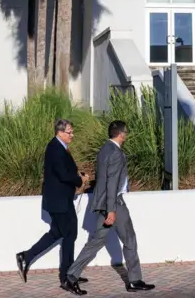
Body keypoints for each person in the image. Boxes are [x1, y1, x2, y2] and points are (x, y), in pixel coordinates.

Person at [62, 120, 154, 294]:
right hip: (115, 204)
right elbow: (112, 183)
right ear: (121, 134)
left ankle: (70, 276)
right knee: (130, 239)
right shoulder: (116, 154)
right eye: (125, 133)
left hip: (104, 202)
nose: (126, 136)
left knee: (96, 241)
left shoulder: (104, 149)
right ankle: (134, 280)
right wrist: (111, 209)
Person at [17, 118, 87, 287]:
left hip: (61, 200)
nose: (72, 135)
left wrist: (79, 175)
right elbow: (63, 174)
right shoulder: (55, 149)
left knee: (57, 233)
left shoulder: (59, 147)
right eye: (69, 132)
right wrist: (80, 180)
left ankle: (25, 257)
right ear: (60, 132)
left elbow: (65, 170)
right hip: (59, 202)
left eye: (72, 131)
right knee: (70, 235)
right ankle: (67, 277)